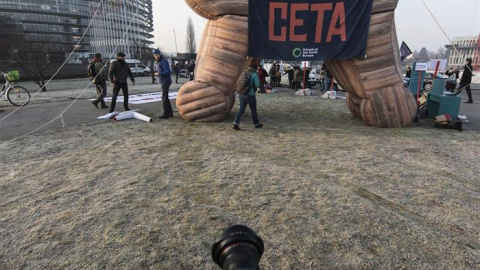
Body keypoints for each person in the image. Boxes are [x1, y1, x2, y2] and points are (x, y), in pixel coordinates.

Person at [233, 63, 263, 130]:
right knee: (253, 110)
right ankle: (256, 124)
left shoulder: (244, 73)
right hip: (250, 94)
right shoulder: (254, 74)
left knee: (241, 109)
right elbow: (257, 85)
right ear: (255, 68)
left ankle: (235, 123)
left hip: (242, 94)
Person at [153, 49, 174, 118]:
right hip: (163, 81)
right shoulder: (158, 62)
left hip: (166, 81)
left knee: (164, 98)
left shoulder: (163, 61)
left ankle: (166, 114)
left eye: (156, 55)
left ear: (159, 54)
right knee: (166, 97)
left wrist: (159, 73)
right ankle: (170, 113)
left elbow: (167, 71)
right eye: (155, 55)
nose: (156, 56)